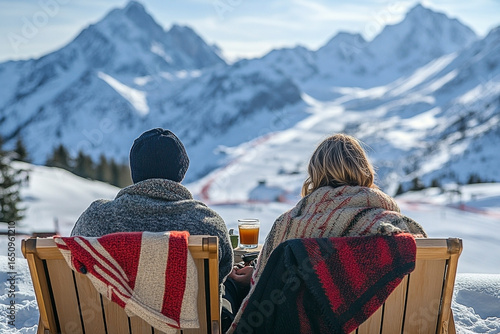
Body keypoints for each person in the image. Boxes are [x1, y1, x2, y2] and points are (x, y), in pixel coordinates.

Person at [227, 133, 427, 333]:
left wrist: (255, 275)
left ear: (314, 173)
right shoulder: (398, 229)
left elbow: (269, 286)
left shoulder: (290, 225)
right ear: (364, 170)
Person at [70, 128, 233, 285]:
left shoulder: (94, 218)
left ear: (135, 171)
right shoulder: (207, 223)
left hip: (103, 312)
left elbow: (72, 260)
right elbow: (221, 274)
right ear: (181, 171)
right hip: (186, 314)